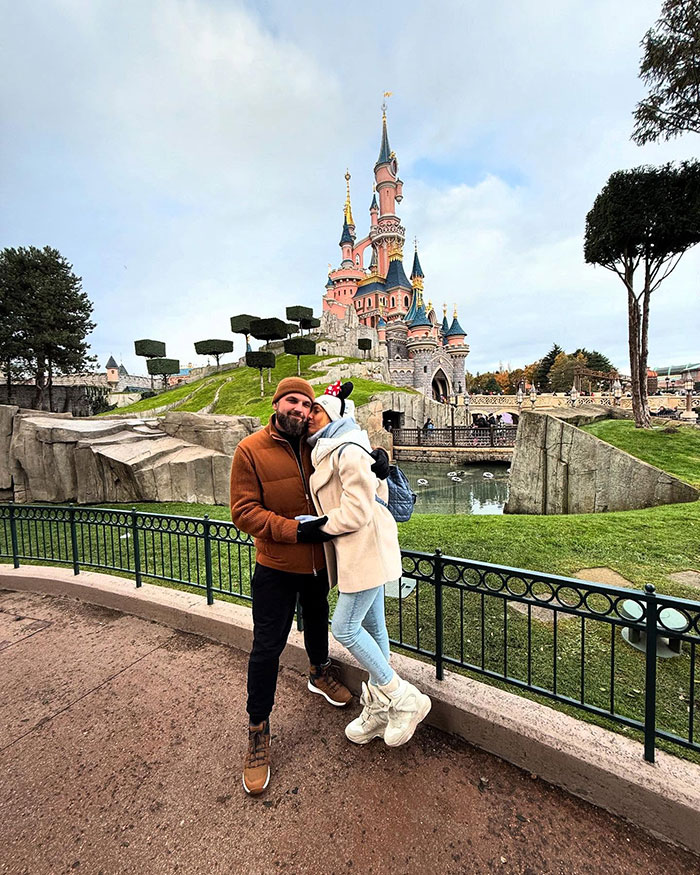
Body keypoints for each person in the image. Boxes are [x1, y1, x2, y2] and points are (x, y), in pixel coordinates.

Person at [230, 376, 389, 796]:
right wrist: (294, 532)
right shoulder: (250, 450)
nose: (301, 409)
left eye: (306, 404)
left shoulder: (314, 442)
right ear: (277, 403)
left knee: (319, 624)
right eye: (293, 402)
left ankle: (319, 672)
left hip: (319, 565)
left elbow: (346, 449)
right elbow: (244, 512)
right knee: (267, 648)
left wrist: (378, 463)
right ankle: (258, 730)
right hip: (277, 564)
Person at [306, 381, 431, 748]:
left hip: (366, 548)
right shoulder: (327, 450)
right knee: (374, 628)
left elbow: (359, 511)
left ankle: (403, 698)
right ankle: (379, 708)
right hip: (356, 551)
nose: (310, 416)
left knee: (344, 628)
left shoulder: (347, 450)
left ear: (333, 416)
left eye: (317, 410)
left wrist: (314, 527)